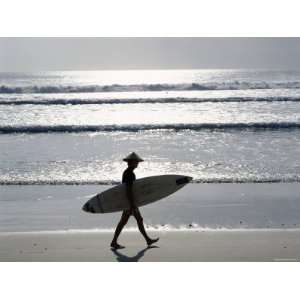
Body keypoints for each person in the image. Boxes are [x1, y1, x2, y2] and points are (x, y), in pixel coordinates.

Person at [110, 152, 159, 250]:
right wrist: (132, 204)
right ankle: (114, 241)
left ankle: (114, 241)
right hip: (130, 203)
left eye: (137, 162)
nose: (137, 163)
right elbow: (128, 190)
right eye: (136, 162)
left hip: (129, 202)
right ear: (130, 162)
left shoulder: (128, 172)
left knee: (128, 221)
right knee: (133, 221)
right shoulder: (130, 174)